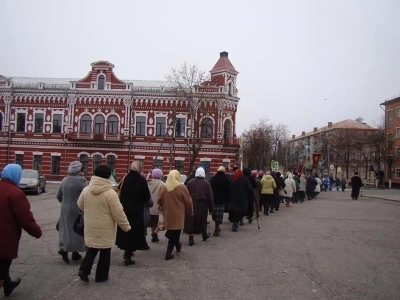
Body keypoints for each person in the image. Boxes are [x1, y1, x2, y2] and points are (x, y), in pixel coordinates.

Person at [77, 166, 131, 283]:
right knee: (105, 252)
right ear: (108, 176)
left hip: (90, 225)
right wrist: (126, 227)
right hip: (106, 228)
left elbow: (80, 205)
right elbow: (118, 213)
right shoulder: (110, 193)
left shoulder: (86, 190)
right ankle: (101, 277)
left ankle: (84, 270)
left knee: (92, 249)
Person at [0, 164, 42, 296]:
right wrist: (36, 232)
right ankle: (5, 282)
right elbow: (25, 218)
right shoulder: (15, 193)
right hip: (4, 238)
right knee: (2, 267)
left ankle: (8, 284)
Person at [116, 161, 151, 266]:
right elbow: (146, 196)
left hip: (124, 209)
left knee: (125, 229)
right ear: (140, 168)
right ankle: (128, 254)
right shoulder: (141, 180)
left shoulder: (124, 178)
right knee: (134, 231)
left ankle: (127, 251)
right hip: (136, 211)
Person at [158, 170, 193, 260]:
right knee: (175, 233)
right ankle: (168, 254)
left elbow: (159, 201)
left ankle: (178, 246)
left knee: (173, 232)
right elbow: (188, 201)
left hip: (168, 214)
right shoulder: (182, 187)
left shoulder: (163, 187)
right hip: (179, 214)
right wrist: (190, 211)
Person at [56, 161, 87, 264]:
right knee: (77, 230)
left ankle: (65, 249)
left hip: (65, 209)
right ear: (79, 171)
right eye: (82, 170)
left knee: (66, 230)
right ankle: (74, 252)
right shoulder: (82, 181)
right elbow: (85, 196)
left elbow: (59, 196)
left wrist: (65, 203)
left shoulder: (64, 180)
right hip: (77, 209)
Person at [184, 167, 214, 246]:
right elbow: (210, 197)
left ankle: (191, 237)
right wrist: (211, 208)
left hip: (191, 203)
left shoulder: (190, 182)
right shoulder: (206, 183)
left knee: (191, 220)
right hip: (202, 204)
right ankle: (204, 235)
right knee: (202, 220)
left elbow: (186, 194)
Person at [210, 166, 230, 236]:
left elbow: (210, 188)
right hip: (222, 200)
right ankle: (217, 226)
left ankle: (217, 227)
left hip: (214, 199)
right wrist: (228, 199)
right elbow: (228, 190)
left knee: (214, 213)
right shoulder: (226, 179)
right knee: (220, 214)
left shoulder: (213, 179)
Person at [147, 169, 165, 243]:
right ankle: (155, 233)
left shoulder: (149, 184)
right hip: (159, 207)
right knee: (160, 222)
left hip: (150, 206)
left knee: (152, 222)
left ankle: (153, 234)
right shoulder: (163, 185)